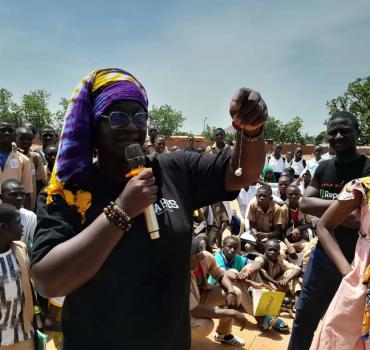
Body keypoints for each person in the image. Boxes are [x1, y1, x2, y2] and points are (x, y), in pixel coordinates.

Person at [30, 68, 268, 350]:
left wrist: (251, 131)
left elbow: (242, 174)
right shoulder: (69, 192)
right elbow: (48, 282)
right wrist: (121, 211)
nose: (132, 126)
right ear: (94, 126)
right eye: (118, 117)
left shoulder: (174, 169)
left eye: (139, 116)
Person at [288, 111, 370, 350]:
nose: (337, 135)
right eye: (332, 131)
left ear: (358, 132)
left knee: (346, 325)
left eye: (344, 130)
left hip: (358, 260)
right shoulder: (324, 167)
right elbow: (303, 203)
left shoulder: (367, 168)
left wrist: (333, 211)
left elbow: (360, 220)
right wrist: (345, 207)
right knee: (304, 317)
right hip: (323, 256)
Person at [311, 177, 370, 349]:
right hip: (361, 283)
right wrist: (348, 273)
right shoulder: (363, 187)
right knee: (337, 338)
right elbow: (324, 226)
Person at [209, 236, 289, 333]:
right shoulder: (217, 257)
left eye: (235, 248)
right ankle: (260, 317)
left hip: (236, 294)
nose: (232, 250)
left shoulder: (236, 257)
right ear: (223, 246)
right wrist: (251, 282)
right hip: (219, 293)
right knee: (234, 272)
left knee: (251, 268)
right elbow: (226, 275)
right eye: (229, 247)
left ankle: (266, 312)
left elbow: (257, 264)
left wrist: (248, 273)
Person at [189, 237, 247, 346]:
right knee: (205, 325)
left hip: (201, 295)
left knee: (236, 293)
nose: (200, 254)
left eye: (198, 249)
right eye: (194, 252)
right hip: (185, 309)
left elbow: (220, 274)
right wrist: (231, 312)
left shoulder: (205, 257)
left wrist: (230, 291)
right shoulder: (178, 274)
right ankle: (177, 338)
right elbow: (194, 310)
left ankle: (223, 334)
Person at [0, 203, 34, 349]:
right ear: (3, 227)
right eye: (18, 222)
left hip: (22, 335)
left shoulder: (20, 250)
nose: (22, 227)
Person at [280, 185, 316, 271]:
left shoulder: (303, 207)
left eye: (296, 194)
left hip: (301, 239)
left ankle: (304, 271)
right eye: (290, 194)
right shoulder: (282, 209)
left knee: (310, 249)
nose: (293, 196)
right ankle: (289, 271)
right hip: (285, 240)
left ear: (300, 195)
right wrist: (289, 245)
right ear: (286, 195)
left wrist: (299, 228)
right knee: (280, 253)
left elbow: (310, 224)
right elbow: (280, 231)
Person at [0, 119, 33, 210]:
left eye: (10, 131)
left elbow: (26, 191)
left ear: (15, 135)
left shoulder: (24, 160)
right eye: (2, 130)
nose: (6, 133)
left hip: (14, 213)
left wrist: (27, 216)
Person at [244, 185, 287, 252]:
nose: (261, 198)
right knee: (248, 247)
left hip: (272, 238)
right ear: (256, 196)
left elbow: (278, 232)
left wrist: (264, 235)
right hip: (257, 237)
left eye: (264, 196)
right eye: (259, 196)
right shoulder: (253, 206)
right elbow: (251, 224)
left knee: (281, 252)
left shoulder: (277, 209)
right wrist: (256, 234)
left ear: (271, 198)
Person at [0, 179, 37, 252]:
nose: (19, 197)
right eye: (13, 194)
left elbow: (35, 242)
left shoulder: (30, 216)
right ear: (1, 197)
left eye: (22, 194)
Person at [16, 126, 47, 210]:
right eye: (22, 139)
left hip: (30, 204)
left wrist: (39, 204)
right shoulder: (10, 157)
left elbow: (39, 182)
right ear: (15, 139)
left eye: (29, 139)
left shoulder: (35, 157)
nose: (26, 142)